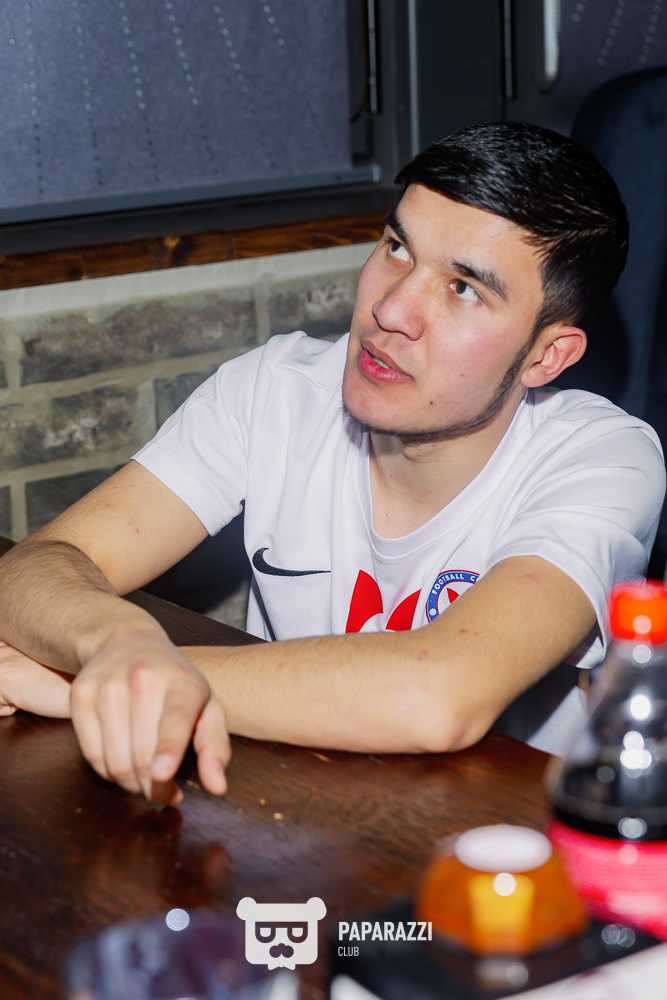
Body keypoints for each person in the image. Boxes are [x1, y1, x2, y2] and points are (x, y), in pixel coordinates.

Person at [0, 121, 663, 808]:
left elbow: (438, 693)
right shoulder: (272, 391)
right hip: (277, 812)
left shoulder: (604, 458)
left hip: (488, 844)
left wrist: (108, 685)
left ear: (546, 357)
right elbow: (33, 568)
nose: (390, 309)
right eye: (397, 248)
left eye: (464, 288)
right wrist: (117, 644)